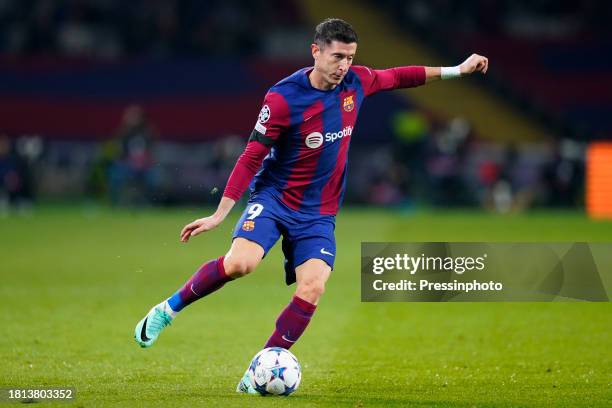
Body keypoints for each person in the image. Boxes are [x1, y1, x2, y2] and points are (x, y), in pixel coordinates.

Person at [134, 18, 488, 393]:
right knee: (241, 264)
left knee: (313, 287)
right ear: (316, 51)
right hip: (274, 198)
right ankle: (166, 311)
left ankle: (260, 370)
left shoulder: (356, 82)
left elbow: (401, 76)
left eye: (350, 58)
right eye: (337, 57)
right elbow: (253, 155)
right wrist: (220, 213)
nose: (344, 66)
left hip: (318, 213)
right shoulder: (283, 97)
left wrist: (458, 69)